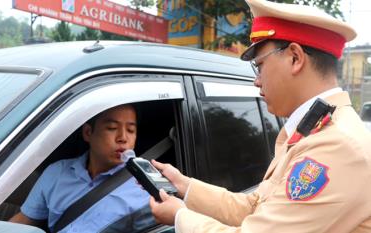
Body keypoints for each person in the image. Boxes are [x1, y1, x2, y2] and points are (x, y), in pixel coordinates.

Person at [149, 0, 371, 232]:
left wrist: (179, 217)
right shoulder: (313, 132)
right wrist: (183, 184)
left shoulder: (338, 146)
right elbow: (254, 207)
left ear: (295, 58)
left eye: (259, 65)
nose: (256, 80)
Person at [9, 104, 151, 232]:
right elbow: (24, 219)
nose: (123, 138)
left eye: (131, 130)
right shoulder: (56, 172)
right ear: (88, 132)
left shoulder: (144, 187)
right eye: (112, 128)